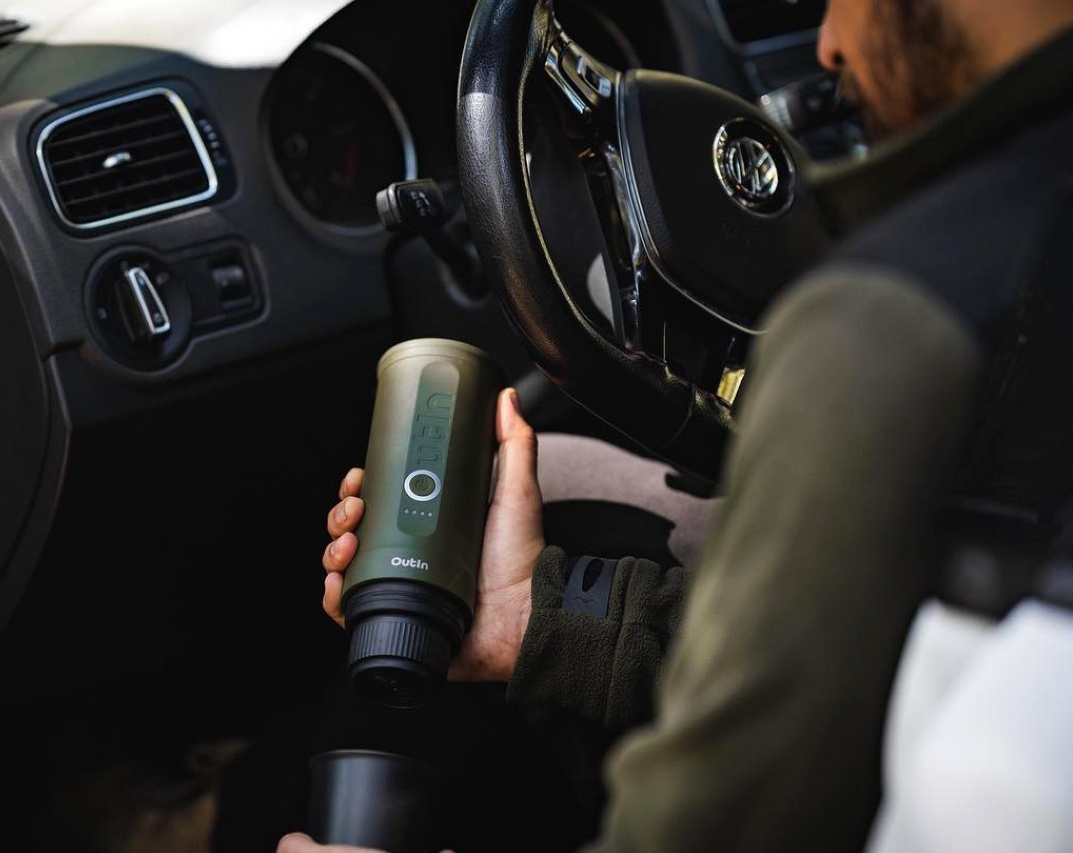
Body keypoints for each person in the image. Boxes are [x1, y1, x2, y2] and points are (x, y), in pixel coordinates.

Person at [281, 0, 1073, 849]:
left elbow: (717, 823)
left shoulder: (889, 326)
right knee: (559, 479)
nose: (826, 45)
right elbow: (889, 633)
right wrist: (538, 620)